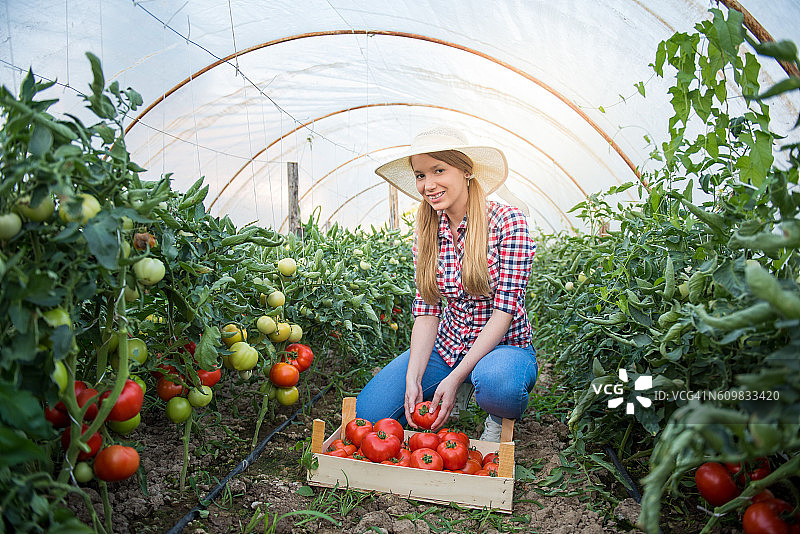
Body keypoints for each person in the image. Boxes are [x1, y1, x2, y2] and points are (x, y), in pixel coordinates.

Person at [355, 126, 538, 441]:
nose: (428, 184)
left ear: (466, 171)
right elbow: (427, 311)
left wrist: (454, 379)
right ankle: (455, 383)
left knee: (501, 386)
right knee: (369, 413)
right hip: (448, 348)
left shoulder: (507, 222)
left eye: (438, 170)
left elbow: (504, 313)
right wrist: (413, 378)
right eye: (420, 175)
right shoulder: (427, 231)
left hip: (503, 348)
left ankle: (495, 417)